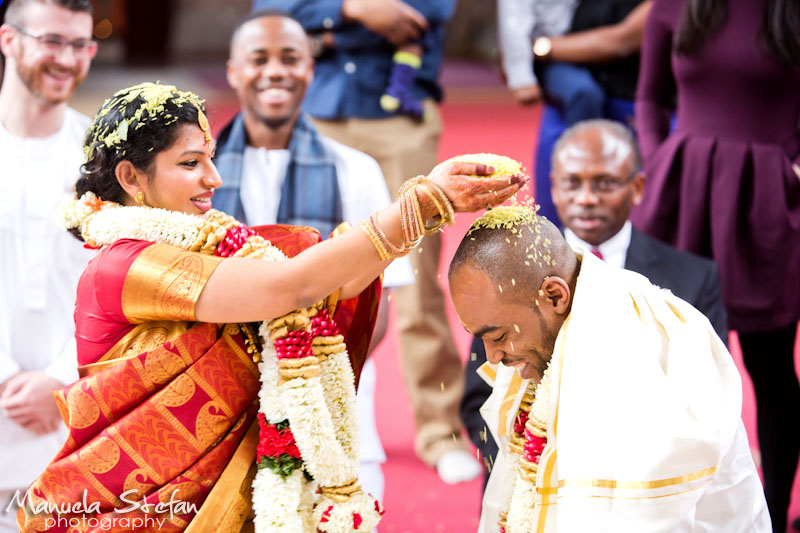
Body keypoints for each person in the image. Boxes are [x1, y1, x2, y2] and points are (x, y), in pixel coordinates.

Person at [13, 81, 525, 532]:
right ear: (129, 177)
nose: (213, 178)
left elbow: (329, 289)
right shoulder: (123, 267)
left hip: (229, 501)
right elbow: (289, 288)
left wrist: (426, 212)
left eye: (210, 158)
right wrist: (423, 204)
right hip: (146, 507)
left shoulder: (215, 243)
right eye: (190, 163)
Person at [252, 0, 482, 484]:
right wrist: (354, 10)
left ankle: (440, 430)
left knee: (417, 278)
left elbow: (424, 15)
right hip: (321, 105)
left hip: (399, 113)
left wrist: (329, 33)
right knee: (304, 261)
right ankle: (285, 411)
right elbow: (272, 10)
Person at [449, 205, 769, 532]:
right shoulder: (555, 312)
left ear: (555, 296)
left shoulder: (640, 357)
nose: (491, 358)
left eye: (498, 336)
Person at [213, 9, 415, 502]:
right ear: (234, 72)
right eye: (259, 59)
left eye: (291, 58)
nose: (276, 71)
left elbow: (378, 307)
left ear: (311, 69)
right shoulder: (200, 176)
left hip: (331, 404)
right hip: (221, 407)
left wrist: (309, 381)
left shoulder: (356, 170)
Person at [460, 119, 727, 484]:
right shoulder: (510, 273)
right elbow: (479, 399)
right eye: (572, 182)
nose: (586, 198)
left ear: (637, 187)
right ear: (553, 187)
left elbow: (706, 398)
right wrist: (531, 466)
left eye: (605, 183)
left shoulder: (693, 279)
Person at [632, 1, 800, 530]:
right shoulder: (672, 7)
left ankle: (772, 507)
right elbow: (650, 96)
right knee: (677, 366)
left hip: (768, 200)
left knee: (771, 367)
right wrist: (659, 157)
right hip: (685, 194)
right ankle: (681, 506)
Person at [0, 0, 97, 530]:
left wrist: (60, 380)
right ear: (9, 40)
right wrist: (8, 378)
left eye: (80, 45)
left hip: (73, 422)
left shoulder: (105, 163)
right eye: (52, 41)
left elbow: (120, 285)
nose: (68, 59)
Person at [498, 0, 651, 225]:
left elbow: (622, 41)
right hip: (576, 94)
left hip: (631, 103)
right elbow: (513, 21)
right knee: (561, 217)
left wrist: (537, 48)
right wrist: (519, 67)